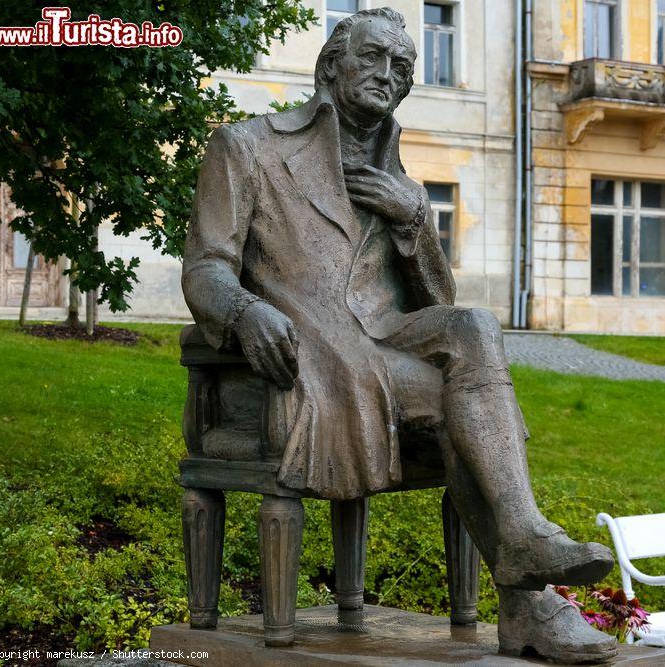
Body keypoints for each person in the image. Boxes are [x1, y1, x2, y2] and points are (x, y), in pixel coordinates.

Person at [182, 7, 617, 662]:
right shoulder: (248, 148)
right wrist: (244, 311)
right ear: (333, 64)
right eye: (376, 58)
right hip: (314, 353)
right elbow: (205, 268)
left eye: (404, 67)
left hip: (384, 342)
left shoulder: (395, 174)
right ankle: (530, 601)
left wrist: (416, 220)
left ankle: (525, 536)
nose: (390, 74)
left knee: (474, 324)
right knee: (455, 408)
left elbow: (437, 307)